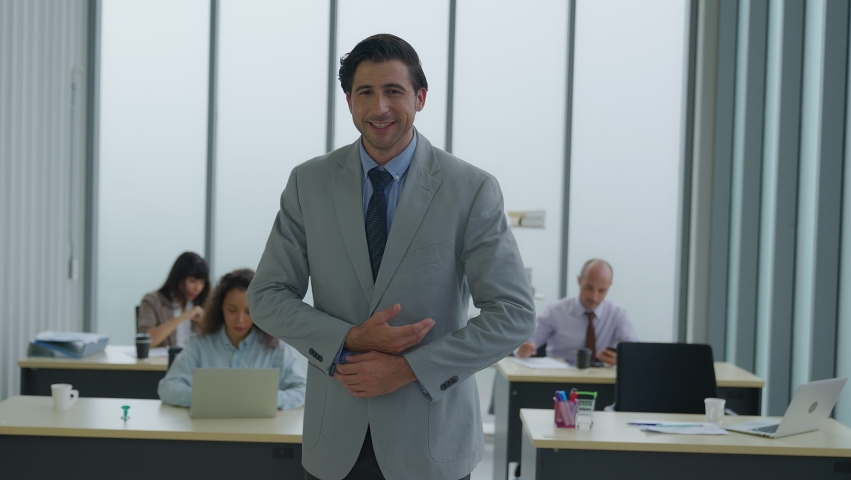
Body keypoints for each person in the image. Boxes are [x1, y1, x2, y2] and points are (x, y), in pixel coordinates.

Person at [247, 34, 535, 480]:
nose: (379, 107)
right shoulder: (309, 182)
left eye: (394, 91)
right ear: (348, 100)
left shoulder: (471, 189)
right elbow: (266, 297)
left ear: (420, 98)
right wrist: (350, 339)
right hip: (335, 444)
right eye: (365, 92)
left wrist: (408, 370)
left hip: (431, 445)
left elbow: (514, 314)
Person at [158, 268, 306, 409]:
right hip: (209, 430)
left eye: (249, 312)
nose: (240, 320)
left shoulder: (274, 346)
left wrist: (268, 399)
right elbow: (167, 388)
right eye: (232, 310)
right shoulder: (199, 343)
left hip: (259, 433)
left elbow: (303, 390)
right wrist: (207, 398)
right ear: (220, 307)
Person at [517, 258, 638, 365]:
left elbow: (635, 354)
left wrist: (622, 359)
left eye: (601, 290)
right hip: (560, 378)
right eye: (589, 288)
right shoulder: (555, 311)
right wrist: (525, 348)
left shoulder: (617, 314)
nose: (594, 297)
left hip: (601, 381)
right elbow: (528, 342)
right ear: (579, 281)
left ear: (609, 286)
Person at [138, 252, 211, 348]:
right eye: (192, 281)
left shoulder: (203, 303)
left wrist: (206, 323)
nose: (198, 288)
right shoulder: (152, 301)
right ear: (178, 278)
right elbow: (145, 342)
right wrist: (183, 317)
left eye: (202, 282)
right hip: (163, 362)